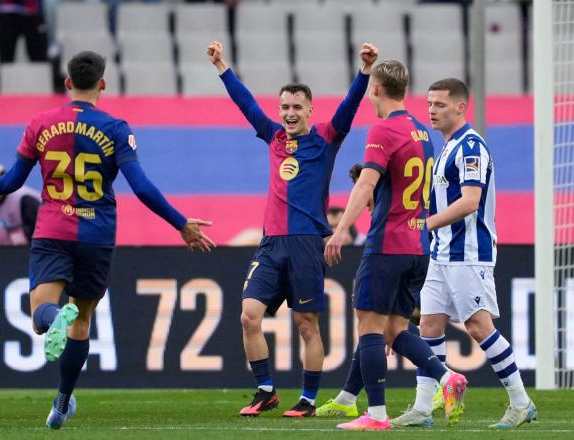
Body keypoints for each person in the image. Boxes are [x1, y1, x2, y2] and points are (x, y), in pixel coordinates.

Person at [0, 50, 215, 430]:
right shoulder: (116, 129)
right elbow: (141, 187)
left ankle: (54, 322)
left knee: (41, 316)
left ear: (67, 84)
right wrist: (180, 223)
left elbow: (12, 181)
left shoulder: (40, 124)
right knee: (81, 322)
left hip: (53, 231)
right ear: (103, 84)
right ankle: (62, 401)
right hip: (96, 236)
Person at [207, 39, 377, 418]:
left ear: (310, 110)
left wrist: (364, 72)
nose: (289, 113)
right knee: (249, 315)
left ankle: (309, 399)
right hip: (270, 244)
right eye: (284, 107)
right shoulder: (272, 136)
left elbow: (349, 108)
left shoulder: (326, 139)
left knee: (306, 324)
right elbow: (246, 104)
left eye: (297, 107)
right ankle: (265, 390)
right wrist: (223, 68)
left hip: (305, 245)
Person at [320, 59, 467, 431]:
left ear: (375, 90)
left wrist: (340, 231)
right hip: (419, 245)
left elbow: (366, 184)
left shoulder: (383, 130)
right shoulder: (422, 132)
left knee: (369, 328)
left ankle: (378, 415)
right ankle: (448, 378)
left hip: (387, 244)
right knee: (394, 331)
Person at [389, 78, 536, 430]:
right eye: (429, 104)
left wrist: (426, 223)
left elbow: (470, 202)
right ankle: (424, 408)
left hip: (468, 252)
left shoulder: (471, 147)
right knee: (428, 323)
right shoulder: (447, 147)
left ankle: (521, 401)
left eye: (440, 104)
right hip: (441, 253)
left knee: (478, 325)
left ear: (460, 107)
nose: (431, 110)